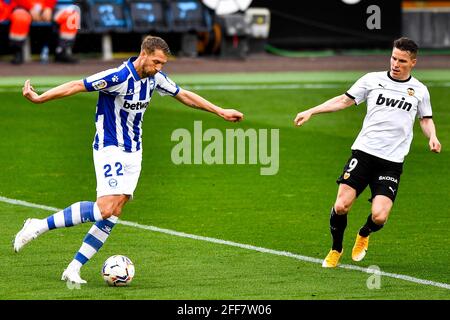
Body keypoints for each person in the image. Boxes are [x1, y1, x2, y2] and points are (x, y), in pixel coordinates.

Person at [13, 35, 244, 284]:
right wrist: (40, 97)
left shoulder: (155, 79)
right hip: (109, 146)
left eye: (163, 64)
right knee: (105, 208)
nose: (159, 68)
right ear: (143, 54)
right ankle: (37, 225)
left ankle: (73, 268)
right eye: (156, 62)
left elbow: (183, 94)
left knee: (115, 211)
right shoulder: (118, 77)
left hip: (134, 151)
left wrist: (220, 111)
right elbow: (77, 85)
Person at [293, 37, 441, 268]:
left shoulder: (420, 91)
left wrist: (432, 136)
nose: (395, 63)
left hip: (391, 162)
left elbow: (426, 119)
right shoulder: (372, 80)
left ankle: (364, 233)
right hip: (364, 153)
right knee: (341, 205)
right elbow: (343, 101)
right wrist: (312, 111)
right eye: (393, 58)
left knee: (380, 216)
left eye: (402, 60)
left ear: (413, 62)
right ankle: (336, 248)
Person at [5, 0, 79, 64]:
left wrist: (48, 7)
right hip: (23, 7)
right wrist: (30, 7)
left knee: (72, 16)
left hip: (46, 9)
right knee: (20, 17)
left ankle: (62, 51)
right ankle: (17, 51)